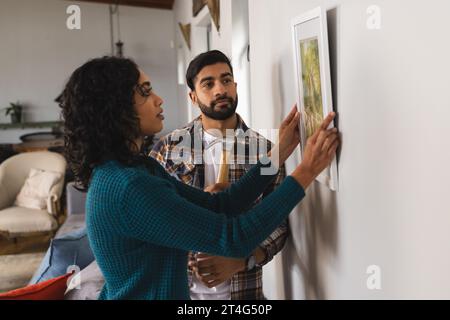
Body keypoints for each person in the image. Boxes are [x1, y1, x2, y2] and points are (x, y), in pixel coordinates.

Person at [59, 56, 339, 300]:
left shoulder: (138, 168)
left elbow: (221, 204)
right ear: (115, 107)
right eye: (145, 92)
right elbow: (233, 237)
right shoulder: (129, 186)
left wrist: (278, 155)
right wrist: (306, 171)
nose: (159, 98)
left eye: (226, 79)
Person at [150, 50, 288, 300]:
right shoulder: (168, 149)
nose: (220, 90)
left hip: (243, 295)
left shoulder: (265, 151)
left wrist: (241, 260)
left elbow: (278, 224)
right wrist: (199, 201)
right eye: (208, 84)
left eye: (226, 80)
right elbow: (150, 219)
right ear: (193, 96)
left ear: (235, 86)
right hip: (180, 293)